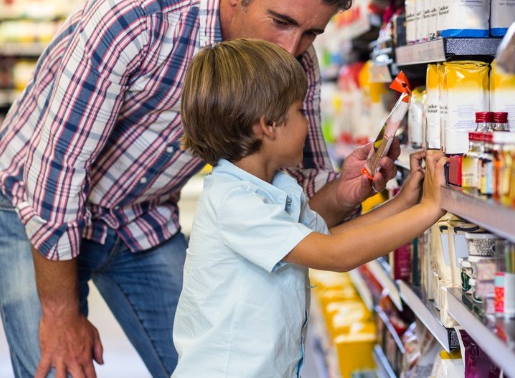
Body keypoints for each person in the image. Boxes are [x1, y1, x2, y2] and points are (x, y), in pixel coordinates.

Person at [0, 0, 402, 378]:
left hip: (141, 215)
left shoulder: (291, 67)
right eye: (281, 21)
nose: (290, 48)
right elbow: (56, 172)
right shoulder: (136, 18)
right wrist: (61, 315)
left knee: (210, 362)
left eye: (310, 34)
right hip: (33, 206)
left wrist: (345, 188)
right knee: (57, 367)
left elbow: (292, 193)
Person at [172, 38, 447, 377]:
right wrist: (430, 209)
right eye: (300, 111)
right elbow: (335, 254)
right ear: (267, 125)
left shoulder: (275, 186)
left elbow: (331, 236)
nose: (307, 122)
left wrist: (407, 201)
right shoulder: (234, 201)